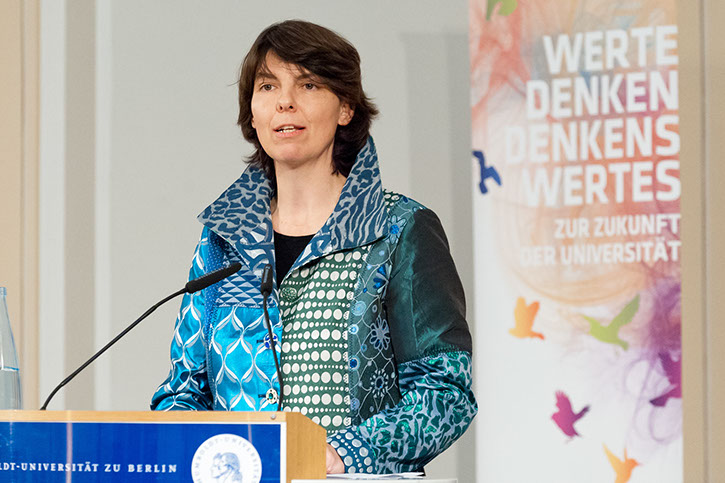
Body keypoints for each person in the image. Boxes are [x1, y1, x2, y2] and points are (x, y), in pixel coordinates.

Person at [151, 19, 477, 474]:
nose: (284, 101)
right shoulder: (223, 242)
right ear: (252, 113)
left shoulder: (398, 229)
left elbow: (445, 394)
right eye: (268, 86)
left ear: (345, 108)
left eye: (307, 84)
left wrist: (344, 452)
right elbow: (184, 391)